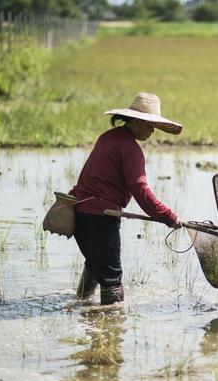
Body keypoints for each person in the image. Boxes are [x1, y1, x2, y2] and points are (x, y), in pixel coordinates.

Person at [69, 92, 182, 305]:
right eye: (150, 125)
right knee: (112, 280)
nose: (152, 131)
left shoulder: (108, 137)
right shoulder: (131, 148)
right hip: (101, 218)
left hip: (80, 214)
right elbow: (141, 190)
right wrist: (168, 216)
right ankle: (110, 329)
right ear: (138, 122)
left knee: (96, 264)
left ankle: (80, 307)